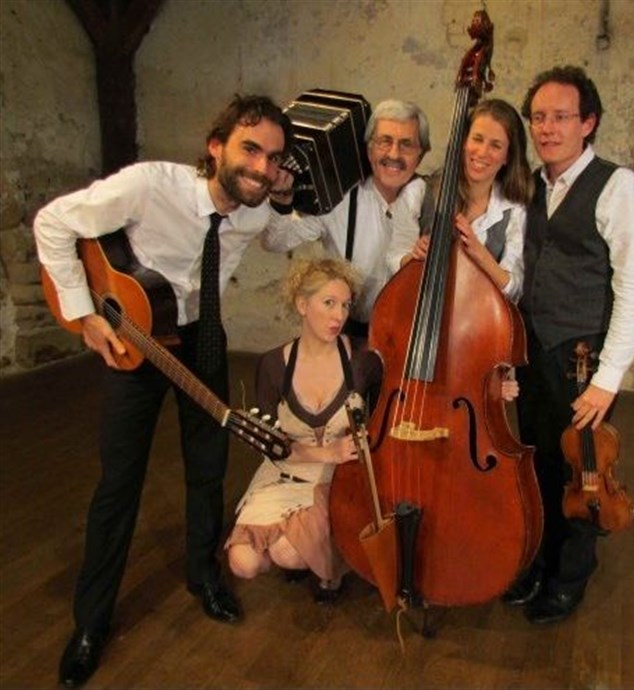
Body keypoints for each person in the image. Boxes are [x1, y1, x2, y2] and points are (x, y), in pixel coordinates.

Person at [33, 94, 294, 688]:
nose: (261, 166)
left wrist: (286, 199)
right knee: (119, 482)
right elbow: (52, 222)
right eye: (250, 149)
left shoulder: (255, 210)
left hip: (203, 335)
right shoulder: (149, 186)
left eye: (274, 157)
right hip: (136, 335)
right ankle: (91, 623)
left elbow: (283, 236)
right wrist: (83, 315)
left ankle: (204, 576)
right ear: (216, 147)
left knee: (208, 467)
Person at [505, 65, 634, 624]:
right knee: (539, 464)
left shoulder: (618, 186)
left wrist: (607, 380)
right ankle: (539, 559)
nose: (547, 128)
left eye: (561, 117)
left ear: (587, 123)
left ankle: (569, 577)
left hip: (583, 360)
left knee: (582, 472)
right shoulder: (531, 186)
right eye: (538, 117)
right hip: (534, 352)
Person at [225, 258, 382, 602]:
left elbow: (388, 418)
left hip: (335, 480)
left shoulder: (363, 361)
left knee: (287, 554)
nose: (339, 316)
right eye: (329, 303)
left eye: (345, 305)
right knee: (243, 562)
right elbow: (271, 445)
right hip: (287, 470)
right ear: (301, 304)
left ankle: (331, 563)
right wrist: (326, 451)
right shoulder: (272, 365)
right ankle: (314, 551)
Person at [261, 99, 432, 336]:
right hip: (345, 332)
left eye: (406, 145)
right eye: (384, 141)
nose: (394, 154)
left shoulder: (435, 201)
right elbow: (275, 242)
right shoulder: (337, 199)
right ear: (369, 149)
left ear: (421, 155)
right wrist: (281, 200)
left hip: (408, 335)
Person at [405, 98, 533, 402]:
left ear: (508, 157)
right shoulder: (421, 191)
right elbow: (391, 261)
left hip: (478, 342)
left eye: (495, 145)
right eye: (477, 139)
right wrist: (412, 256)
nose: (482, 152)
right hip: (420, 334)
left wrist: (479, 253)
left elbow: (514, 288)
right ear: (463, 142)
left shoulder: (514, 211)